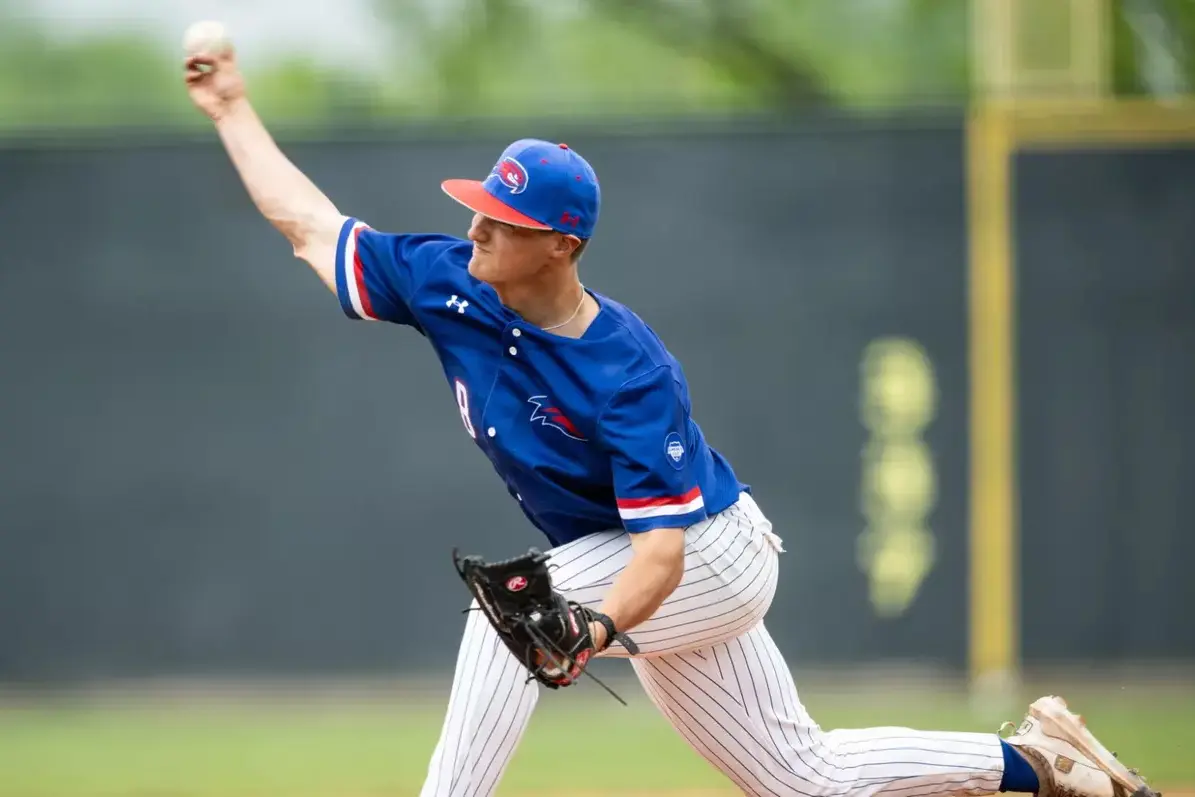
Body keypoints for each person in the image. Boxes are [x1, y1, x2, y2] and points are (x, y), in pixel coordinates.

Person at [183, 42, 1158, 797]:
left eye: (499, 218)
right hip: (627, 557)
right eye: (477, 206)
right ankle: (1044, 763)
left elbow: (661, 556)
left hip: (705, 555)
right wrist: (232, 109)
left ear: (560, 244)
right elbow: (309, 227)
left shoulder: (627, 367)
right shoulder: (450, 281)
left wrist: (594, 624)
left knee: (511, 613)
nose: (475, 225)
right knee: (801, 777)